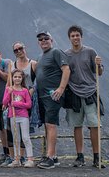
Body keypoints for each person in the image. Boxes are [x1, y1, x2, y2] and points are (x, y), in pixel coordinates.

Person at [65, 25, 104, 168]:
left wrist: (99, 65)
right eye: (72, 36)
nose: (75, 38)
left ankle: (96, 157)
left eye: (77, 35)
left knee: (94, 125)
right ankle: (80, 157)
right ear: (69, 38)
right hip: (74, 92)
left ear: (81, 36)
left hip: (90, 91)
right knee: (77, 125)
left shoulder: (90, 52)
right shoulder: (66, 54)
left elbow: (99, 73)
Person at [35, 31, 70, 169]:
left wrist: (61, 89)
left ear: (52, 40)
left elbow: (66, 69)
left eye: (46, 38)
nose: (43, 41)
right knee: (47, 125)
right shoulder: (40, 56)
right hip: (42, 96)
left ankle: (49, 158)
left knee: (51, 124)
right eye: (40, 39)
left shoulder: (56, 52)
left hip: (53, 95)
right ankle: (53, 156)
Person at [2, 69, 34, 168]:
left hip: (23, 117)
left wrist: (16, 104)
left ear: (22, 78)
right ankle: (17, 159)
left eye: (19, 77)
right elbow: (4, 102)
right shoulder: (9, 89)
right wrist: (9, 93)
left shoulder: (24, 90)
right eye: (15, 77)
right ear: (12, 78)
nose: (17, 79)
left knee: (25, 137)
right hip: (13, 116)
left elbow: (29, 105)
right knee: (16, 138)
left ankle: (30, 159)